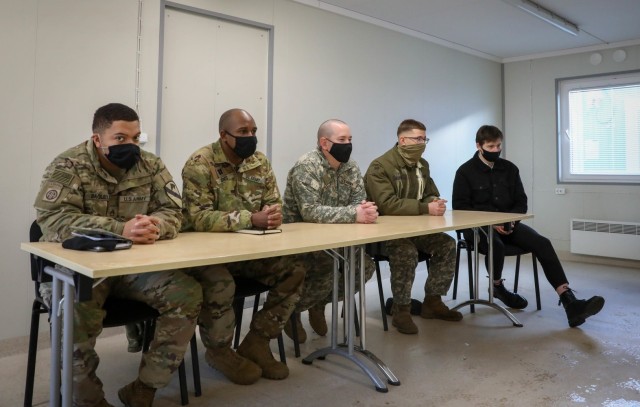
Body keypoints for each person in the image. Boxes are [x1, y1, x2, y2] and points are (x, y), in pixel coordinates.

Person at [34, 103, 202, 407]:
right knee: (72, 310)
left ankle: (145, 388)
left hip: (132, 268)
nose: (131, 146)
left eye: (136, 138)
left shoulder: (150, 165)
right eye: (121, 138)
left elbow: (175, 211)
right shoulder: (69, 165)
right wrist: (119, 229)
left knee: (187, 293)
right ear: (98, 139)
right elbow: (52, 219)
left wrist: (156, 225)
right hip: (80, 270)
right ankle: (89, 401)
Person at [181, 108, 306, 385]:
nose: (250, 137)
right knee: (221, 282)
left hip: (249, 251)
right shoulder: (200, 163)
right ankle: (219, 352)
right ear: (223, 136)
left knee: (295, 269)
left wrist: (273, 215)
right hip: (207, 255)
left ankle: (258, 342)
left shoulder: (259, 162)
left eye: (253, 132)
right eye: (243, 133)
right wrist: (251, 218)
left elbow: (274, 202)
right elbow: (196, 216)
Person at [452, 124, 605, 327]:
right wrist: (491, 223)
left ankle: (570, 301)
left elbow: (520, 202)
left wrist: (512, 220)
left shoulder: (509, 169)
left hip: (509, 224)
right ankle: (497, 287)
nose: (496, 150)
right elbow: (461, 209)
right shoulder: (464, 172)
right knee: (495, 244)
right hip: (477, 228)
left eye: (499, 146)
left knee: (542, 243)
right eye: (491, 146)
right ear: (478, 146)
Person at [282, 119, 377, 342]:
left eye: (350, 140)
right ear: (324, 143)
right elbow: (310, 212)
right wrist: (354, 214)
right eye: (342, 140)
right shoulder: (306, 166)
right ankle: (290, 311)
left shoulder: (350, 166)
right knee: (328, 267)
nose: (348, 144)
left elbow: (358, 201)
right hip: (302, 240)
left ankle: (319, 304)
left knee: (365, 267)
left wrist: (364, 210)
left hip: (339, 237)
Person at [364, 119, 462, 335]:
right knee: (406, 253)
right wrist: (425, 208)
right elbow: (386, 204)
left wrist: (435, 201)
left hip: (415, 230)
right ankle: (401, 310)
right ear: (402, 140)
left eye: (424, 139)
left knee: (447, 244)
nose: (422, 143)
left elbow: (429, 191)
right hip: (385, 233)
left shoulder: (422, 165)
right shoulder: (380, 167)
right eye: (418, 139)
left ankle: (433, 301)